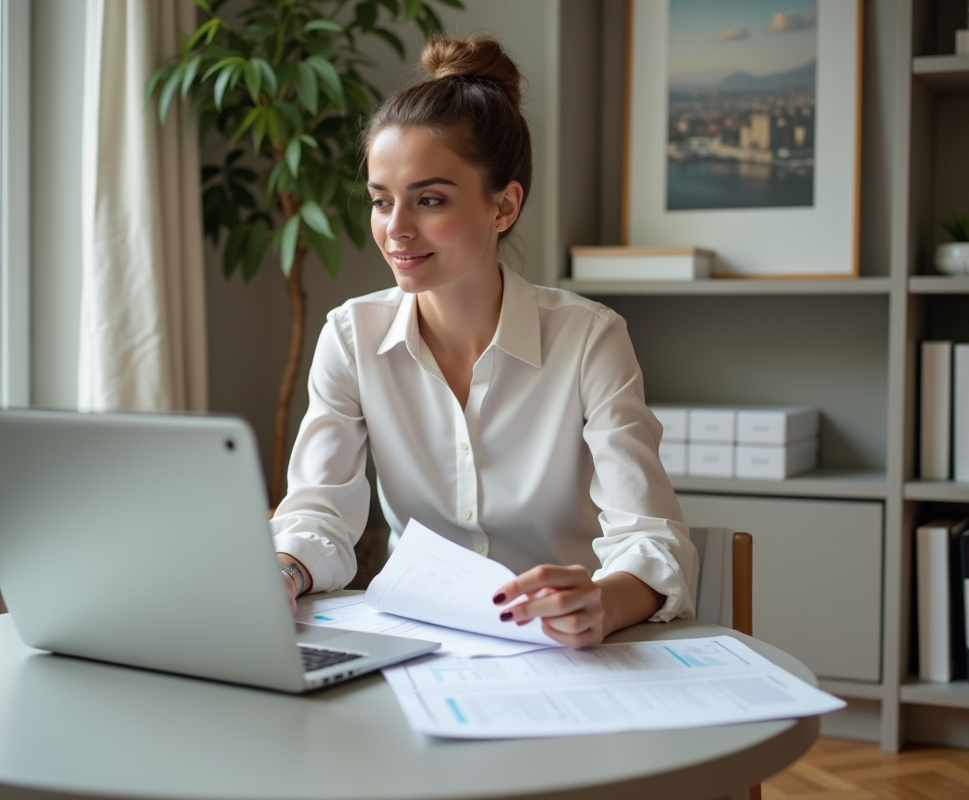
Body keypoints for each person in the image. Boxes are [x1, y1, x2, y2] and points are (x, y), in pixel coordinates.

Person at [270, 34, 697, 647]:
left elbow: (651, 538)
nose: (396, 230)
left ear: (504, 206)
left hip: (568, 654)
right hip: (423, 644)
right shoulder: (350, 335)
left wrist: (599, 602)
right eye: (380, 201)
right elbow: (319, 516)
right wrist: (284, 571)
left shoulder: (588, 339)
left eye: (430, 200)